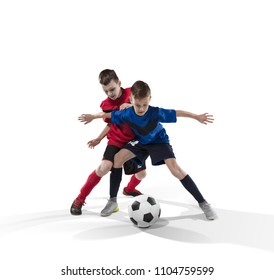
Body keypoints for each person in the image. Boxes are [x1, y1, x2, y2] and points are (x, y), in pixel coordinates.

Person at [78, 80, 217, 220]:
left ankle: (203, 203)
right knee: (117, 158)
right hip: (141, 142)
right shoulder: (127, 113)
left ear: (150, 99)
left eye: (145, 104)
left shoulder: (156, 112)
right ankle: (113, 201)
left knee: (175, 169)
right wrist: (93, 117)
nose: (141, 109)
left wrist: (197, 117)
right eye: (138, 105)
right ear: (131, 99)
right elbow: (107, 115)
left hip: (159, 141)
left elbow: (177, 112)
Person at [71, 70, 146, 217]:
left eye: (112, 89)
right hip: (116, 140)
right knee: (104, 167)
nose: (110, 93)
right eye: (106, 91)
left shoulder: (133, 92)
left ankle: (129, 189)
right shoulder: (105, 104)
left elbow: (145, 107)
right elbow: (110, 124)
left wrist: (132, 106)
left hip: (133, 141)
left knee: (142, 174)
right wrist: (99, 138)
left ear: (119, 83)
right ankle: (80, 198)